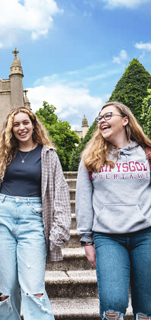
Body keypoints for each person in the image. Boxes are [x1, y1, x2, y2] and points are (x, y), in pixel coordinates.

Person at [0, 106, 71, 320]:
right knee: (2, 290)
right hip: (1, 219)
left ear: (34, 124)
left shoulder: (48, 155)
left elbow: (61, 193)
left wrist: (60, 229)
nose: (21, 127)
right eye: (15, 124)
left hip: (33, 220)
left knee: (33, 288)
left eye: (25, 122)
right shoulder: (3, 153)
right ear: (10, 129)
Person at [76, 101, 151, 320]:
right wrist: (86, 240)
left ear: (125, 120)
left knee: (146, 309)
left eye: (108, 116)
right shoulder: (91, 158)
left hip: (146, 235)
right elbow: (83, 200)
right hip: (107, 238)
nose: (102, 121)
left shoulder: (147, 154)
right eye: (99, 118)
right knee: (112, 307)